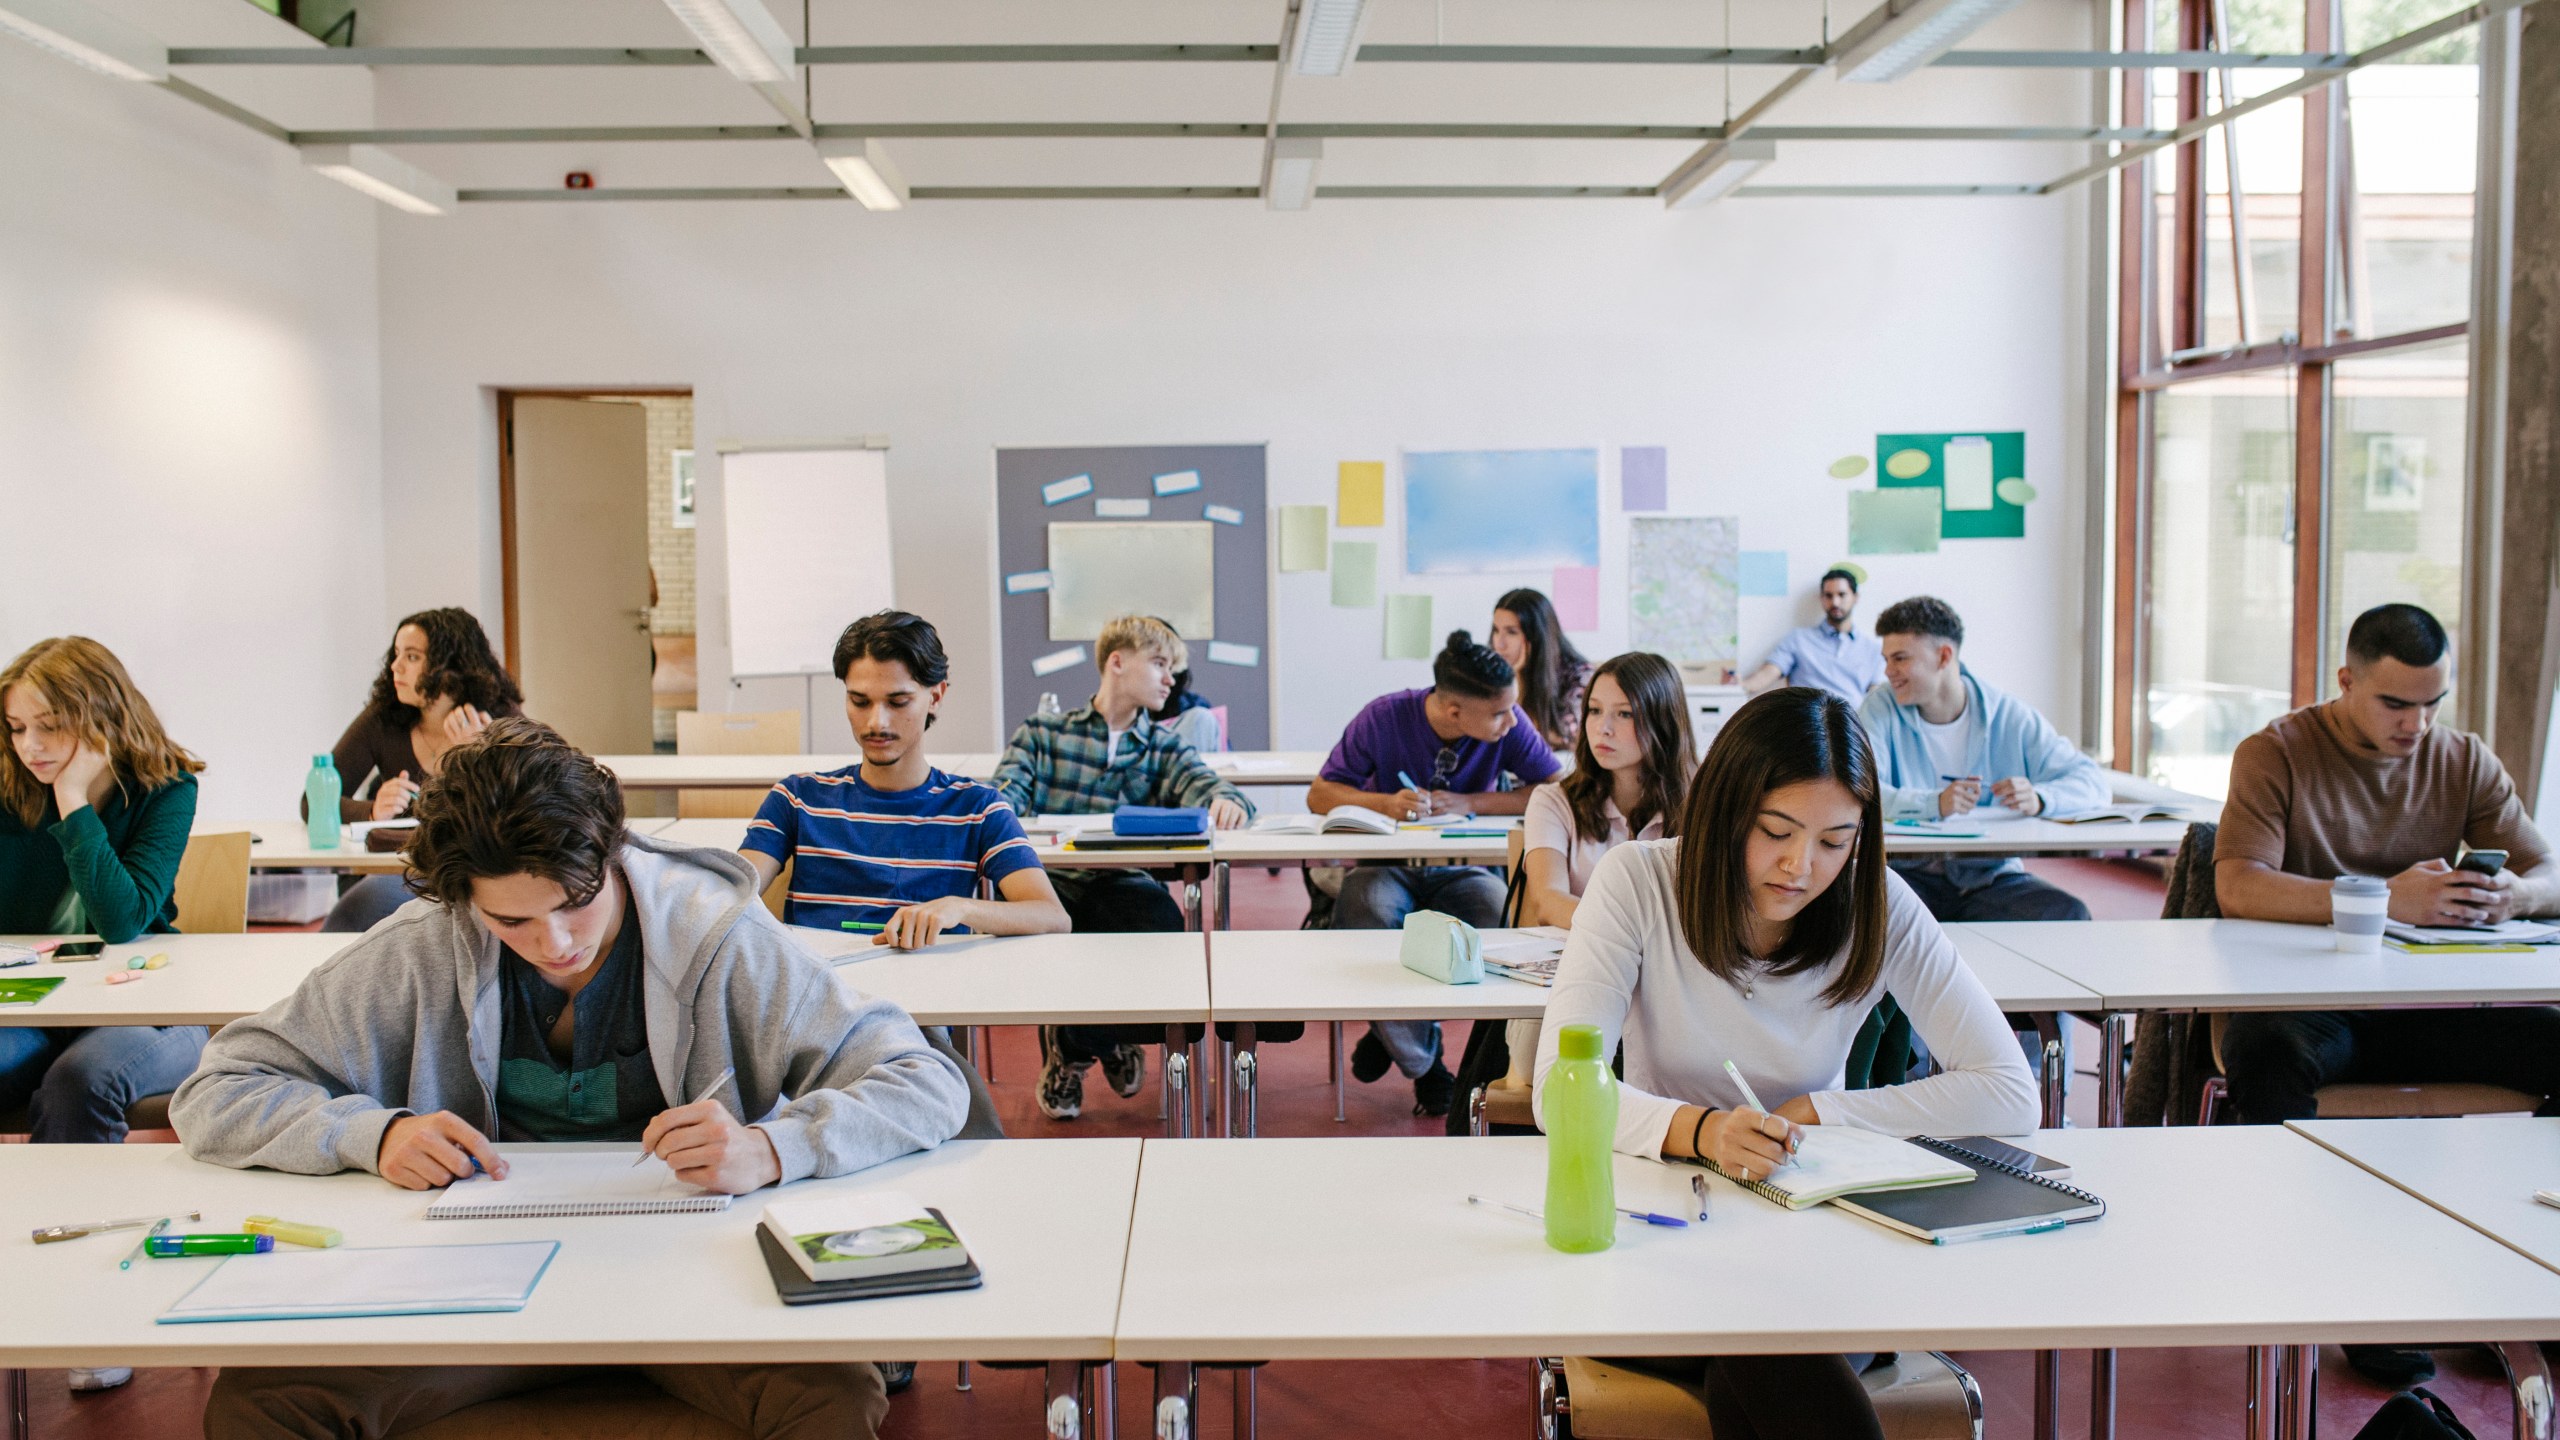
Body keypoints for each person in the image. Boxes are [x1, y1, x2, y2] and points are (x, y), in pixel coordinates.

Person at [174, 718, 971, 1440]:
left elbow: (922, 1078)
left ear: (612, 855)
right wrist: (372, 1134)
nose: (553, 943)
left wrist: (771, 1147)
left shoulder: (718, 934)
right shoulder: (421, 944)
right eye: (510, 921)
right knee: (259, 1405)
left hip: (690, 1273)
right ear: (464, 901)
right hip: (476, 1276)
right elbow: (218, 1089)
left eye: (574, 904)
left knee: (829, 1398)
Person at [1534, 686, 2036, 1440]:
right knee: (1772, 1352)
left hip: (1812, 1234)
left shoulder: (1880, 905)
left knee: (1766, 1351)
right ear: (1726, 810)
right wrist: (1702, 1131)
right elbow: (1555, 1091)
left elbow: (2008, 1093)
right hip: (1656, 1230)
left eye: (1837, 841)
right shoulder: (1637, 883)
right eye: (1777, 831)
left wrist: (1821, 1111)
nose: (1802, 866)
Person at [2216, 603, 2560, 1388]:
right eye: (2397, 704)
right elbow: (2237, 883)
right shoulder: (2276, 752)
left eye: (2433, 703)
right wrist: (2381, 898)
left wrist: (2514, 897)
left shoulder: (2462, 759)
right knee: (2267, 1058)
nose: (2418, 724)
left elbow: (2550, 872)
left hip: (2427, 1005)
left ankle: (2524, 1281)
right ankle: (2338, 1295)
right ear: (2346, 681)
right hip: (2305, 1005)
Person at [0, 637, 206, 1393]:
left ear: (100, 715)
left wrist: (74, 802)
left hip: (156, 1004)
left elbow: (122, 918)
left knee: (80, 1081)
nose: (30, 746)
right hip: (38, 1000)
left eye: (49, 725)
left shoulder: (167, 786)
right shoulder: (3, 781)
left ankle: (85, 1307)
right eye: (17, 727)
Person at [991, 614, 1253, 1120]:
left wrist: (1228, 802)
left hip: (1124, 882)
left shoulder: (1163, 746)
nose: (1170, 678)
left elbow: (1216, 788)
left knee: (1156, 925)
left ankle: (1073, 1045)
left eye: (1171, 668)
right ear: (1117, 662)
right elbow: (1000, 803)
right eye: (1159, 663)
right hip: (1053, 882)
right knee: (1051, 931)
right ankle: (1109, 1041)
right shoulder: (1044, 733)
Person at [1309, 630, 1563, 1114]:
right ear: (1454, 713)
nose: (1512, 721)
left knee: (1503, 921)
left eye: (1512, 709)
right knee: (1367, 916)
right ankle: (1427, 1067)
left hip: (1462, 868)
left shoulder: (1508, 719)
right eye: (1499, 713)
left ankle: (1402, 1036)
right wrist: (1385, 802)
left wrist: (1473, 802)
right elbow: (1320, 794)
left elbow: (1553, 789)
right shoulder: (1384, 717)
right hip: (1384, 867)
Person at [740, 610, 1067, 948]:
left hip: (933, 994)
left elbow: (1052, 915)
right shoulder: (797, 798)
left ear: (935, 698)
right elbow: (729, 902)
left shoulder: (978, 808)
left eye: (898, 702)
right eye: (859, 701)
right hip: (821, 990)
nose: (876, 723)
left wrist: (961, 908)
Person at [1857, 596, 2106, 923]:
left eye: (1900, 659)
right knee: (1858, 914)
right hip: (1907, 878)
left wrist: (2041, 798)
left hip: (1989, 880)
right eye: (1887, 659)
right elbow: (1860, 791)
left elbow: (2091, 782)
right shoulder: (1879, 708)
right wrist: (1935, 804)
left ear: (1943, 656)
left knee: (2067, 913)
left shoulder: (2009, 716)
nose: (1889, 672)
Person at [312, 608, 522, 934]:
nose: (395, 666)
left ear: (451, 667)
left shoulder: (498, 720)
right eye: (396, 655)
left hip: (471, 869)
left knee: (365, 908)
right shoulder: (384, 718)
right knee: (356, 911)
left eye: (411, 656)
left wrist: (477, 759)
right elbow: (314, 803)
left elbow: (525, 811)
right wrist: (372, 811)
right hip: (395, 867)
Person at [1520, 651, 1696, 930]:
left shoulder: (1702, 803)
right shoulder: (1553, 801)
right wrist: (1627, 935)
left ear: (1663, 722)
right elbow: (1548, 901)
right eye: (1594, 710)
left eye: (1624, 714)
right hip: (1583, 963)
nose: (1603, 728)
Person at [1743, 568, 1886, 706]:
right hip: (1808, 722)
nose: (1835, 602)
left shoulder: (1873, 649)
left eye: (1842, 595)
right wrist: (1738, 687)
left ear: (1855, 597)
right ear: (1822, 598)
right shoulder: (1798, 640)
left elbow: (1877, 696)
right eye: (1828, 595)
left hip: (1852, 724)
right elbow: (1767, 674)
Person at [1491, 587, 1592, 753]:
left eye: (1511, 632)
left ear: (1537, 636)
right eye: (1496, 630)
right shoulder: (1493, 670)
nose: (1499, 644)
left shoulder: (1580, 676)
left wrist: (1518, 682)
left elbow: (1563, 738)